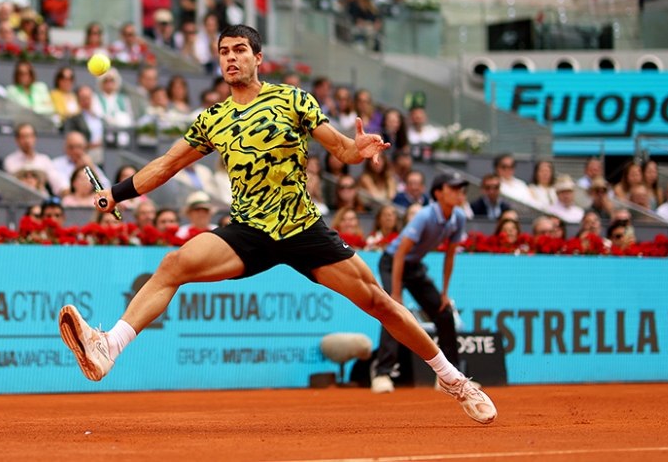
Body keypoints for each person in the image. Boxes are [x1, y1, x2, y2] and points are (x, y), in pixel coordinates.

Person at [57, 25, 496, 424]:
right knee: (174, 264)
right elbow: (167, 164)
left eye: (240, 50)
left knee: (379, 303)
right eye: (224, 51)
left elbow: (340, 149)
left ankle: (454, 380)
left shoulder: (293, 100)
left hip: (302, 228)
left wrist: (357, 149)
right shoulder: (213, 119)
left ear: (258, 58)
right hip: (249, 231)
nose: (231, 58)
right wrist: (116, 193)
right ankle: (107, 347)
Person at [370, 172, 470, 395]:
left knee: (444, 313)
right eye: (452, 188)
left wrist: (444, 293)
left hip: (414, 267)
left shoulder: (459, 217)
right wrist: (396, 293)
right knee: (393, 313)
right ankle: (382, 374)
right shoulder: (425, 216)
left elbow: (450, 255)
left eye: (460, 188)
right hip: (393, 263)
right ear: (438, 193)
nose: (459, 192)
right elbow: (399, 255)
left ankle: (450, 377)